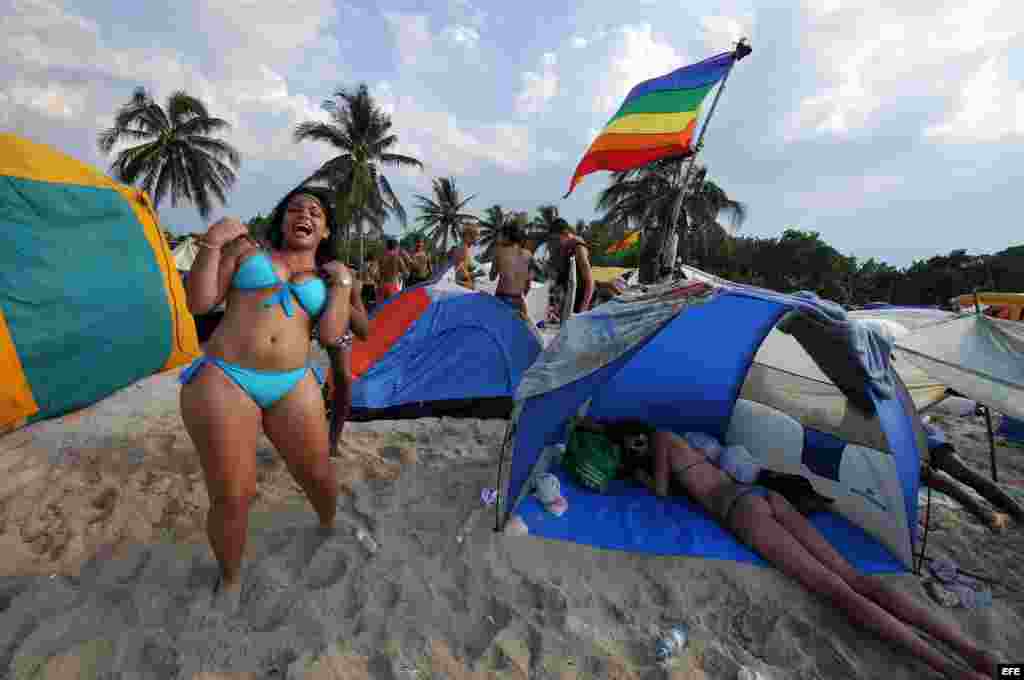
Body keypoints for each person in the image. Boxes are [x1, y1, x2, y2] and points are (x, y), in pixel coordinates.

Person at [587, 419, 998, 680]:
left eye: (634, 443)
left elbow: (660, 493)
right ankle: (981, 657)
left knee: (838, 593)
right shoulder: (682, 439)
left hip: (741, 512)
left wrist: (641, 476)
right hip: (761, 496)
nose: (639, 446)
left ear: (635, 436)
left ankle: (949, 668)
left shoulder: (662, 438)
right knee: (856, 579)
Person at [179, 186, 367, 614]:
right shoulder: (246, 252)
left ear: (325, 230)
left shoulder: (329, 276)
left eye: (315, 212)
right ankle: (229, 579)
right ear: (283, 220)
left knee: (318, 474)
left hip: (292, 381)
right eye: (296, 208)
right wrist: (212, 243)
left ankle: (329, 522)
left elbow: (329, 332)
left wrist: (342, 284)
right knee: (234, 493)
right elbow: (199, 300)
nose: (304, 214)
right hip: (227, 378)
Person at [547, 219, 594, 317]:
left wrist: (583, 311)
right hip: (570, 302)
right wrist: (556, 309)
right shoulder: (565, 249)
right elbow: (562, 282)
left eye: (557, 239)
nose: (556, 243)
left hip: (581, 303)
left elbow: (590, 282)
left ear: (565, 233)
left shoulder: (578, 248)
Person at [489, 224, 533, 321]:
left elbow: (491, 277)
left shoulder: (499, 251)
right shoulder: (528, 254)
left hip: (502, 299)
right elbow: (528, 285)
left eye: (500, 235)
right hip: (519, 301)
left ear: (507, 236)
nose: (498, 238)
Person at [376, 238, 411, 302]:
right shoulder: (397, 258)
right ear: (396, 247)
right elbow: (407, 274)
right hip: (392, 286)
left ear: (387, 247)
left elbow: (374, 273)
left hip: (381, 287)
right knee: (392, 309)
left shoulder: (381, 258)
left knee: (382, 310)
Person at [449, 223, 481, 290]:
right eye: (477, 235)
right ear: (468, 236)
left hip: (465, 289)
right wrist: (478, 273)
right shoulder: (463, 250)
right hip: (464, 290)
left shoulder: (464, 248)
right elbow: (460, 276)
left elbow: (464, 270)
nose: (479, 238)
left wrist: (472, 268)